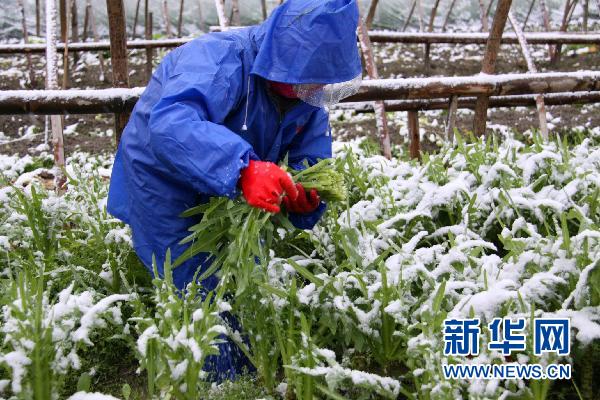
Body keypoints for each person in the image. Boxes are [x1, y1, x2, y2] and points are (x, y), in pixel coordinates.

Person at [107, 0, 362, 381]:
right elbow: (172, 125)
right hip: (163, 176)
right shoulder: (220, 59)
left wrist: (306, 192)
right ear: (280, 56)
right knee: (191, 281)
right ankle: (211, 378)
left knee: (244, 277)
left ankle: (245, 364)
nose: (316, 89)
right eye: (307, 78)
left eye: (322, 80)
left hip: (233, 182)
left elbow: (311, 151)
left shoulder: (305, 94)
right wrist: (241, 169)